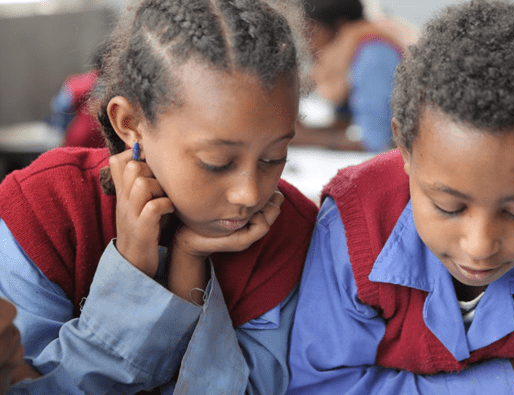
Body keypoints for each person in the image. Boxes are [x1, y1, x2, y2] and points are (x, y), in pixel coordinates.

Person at [287, 1, 514, 394]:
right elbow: (322, 386)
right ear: (405, 150)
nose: (479, 248)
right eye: (448, 206)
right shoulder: (354, 223)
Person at [0, 0, 317, 393]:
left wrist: (188, 264)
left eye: (274, 157)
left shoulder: (288, 226)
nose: (249, 192)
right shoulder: (46, 208)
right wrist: (131, 271)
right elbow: (27, 387)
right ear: (130, 124)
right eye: (216, 162)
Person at [292, 0, 415, 152]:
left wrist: (302, 138)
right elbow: (342, 124)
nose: (307, 42)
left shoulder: (373, 55)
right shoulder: (348, 54)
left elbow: (376, 142)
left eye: (310, 31)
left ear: (339, 25)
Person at [48, 39, 109, 149]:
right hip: (105, 148)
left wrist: (62, 130)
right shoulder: (121, 87)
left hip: (76, 144)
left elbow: (61, 107)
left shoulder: (78, 84)